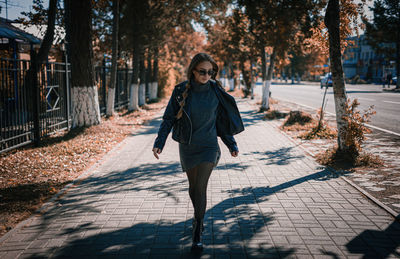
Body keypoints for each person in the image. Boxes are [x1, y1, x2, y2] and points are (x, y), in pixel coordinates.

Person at [152, 53, 244, 250]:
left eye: (210, 72)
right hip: (187, 146)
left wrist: (231, 144)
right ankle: (197, 218)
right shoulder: (180, 91)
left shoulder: (216, 91)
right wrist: (160, 142)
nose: (206, 75)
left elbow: (221, 121)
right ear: (193, 70)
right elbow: (168, 119)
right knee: (193, 187)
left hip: (209, 146)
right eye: (202, 72)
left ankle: (198, 227)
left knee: (200, 186)